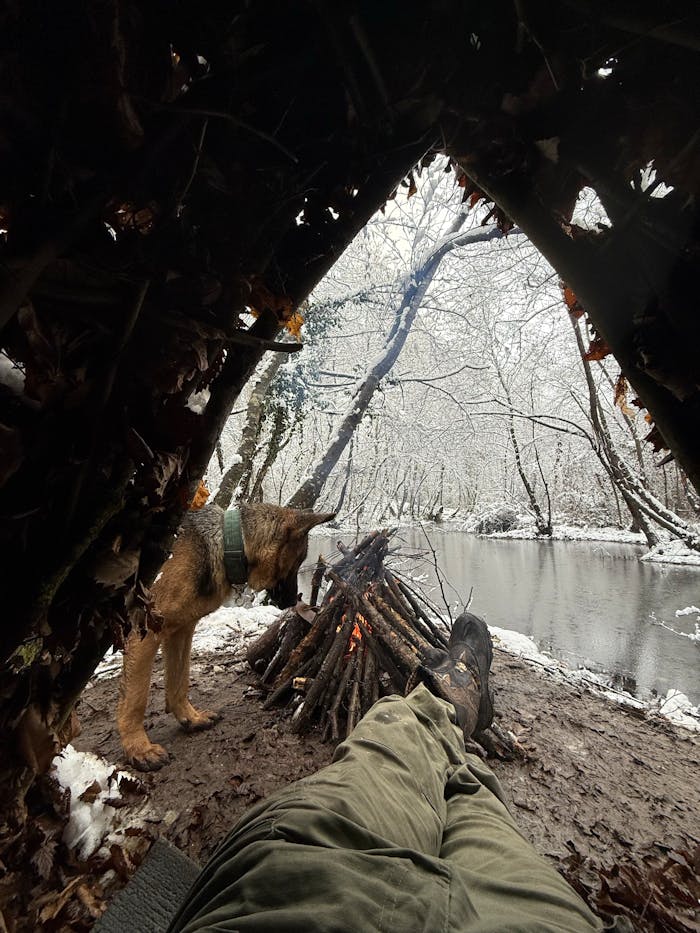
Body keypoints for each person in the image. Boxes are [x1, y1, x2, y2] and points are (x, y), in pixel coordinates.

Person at [167, 613, 602, 932]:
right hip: (533, 922)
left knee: (386, 749)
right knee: (470, 797)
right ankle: (456, 699)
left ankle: (450, 707)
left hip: (296, 890)